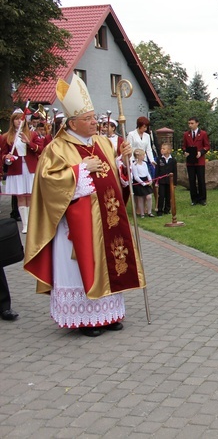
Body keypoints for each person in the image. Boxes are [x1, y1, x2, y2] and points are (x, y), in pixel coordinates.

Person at [24, 74, 146, 337]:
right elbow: (48, 183)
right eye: (89, 119)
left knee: (112, 263)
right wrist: (80, 170)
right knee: (83, 267)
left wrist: (123, 162)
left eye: (95, 118)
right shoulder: (57, 148)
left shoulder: (102, 142)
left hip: (109, 220)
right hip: (75, 228)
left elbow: (115, 176)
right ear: (72, 122)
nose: (95, 123)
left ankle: (109, 314)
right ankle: (85, 319)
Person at [1, 108, 44, 233]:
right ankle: (25, 224)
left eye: (21, 119)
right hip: (16, 170)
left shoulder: (33, 134)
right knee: (20, 197)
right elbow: (3, 154)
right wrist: (6, 157)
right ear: (12, 121)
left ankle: (31, 223)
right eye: (16, 119)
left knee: (30, 196)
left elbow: (40, 149)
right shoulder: (6, 137)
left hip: (30, 170)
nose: (19, 122)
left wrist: (28, 142)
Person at [182, 117, 210, 206]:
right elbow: (184, 146)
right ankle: (194, 199)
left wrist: (201, 152)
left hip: (199, 160)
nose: (190, 125)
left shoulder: (203, 134)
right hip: (190, 161)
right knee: (192, 180)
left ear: (197, 123)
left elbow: (207, 146)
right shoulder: (186, 134)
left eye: (192, 123)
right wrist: (185, 152)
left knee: (201, 180)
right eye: (189, 123)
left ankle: (202, 199)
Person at [155, 142, 177, 216]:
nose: (162, 150)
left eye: (164, 149)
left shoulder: (173, 160)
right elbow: (157, 170)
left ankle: (167, 209)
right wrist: (156, 181)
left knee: (168, 196)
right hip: (161, 181)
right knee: (161, 196)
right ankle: (159, 210)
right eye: (161, 148)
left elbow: (175, 172)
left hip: (169, 181)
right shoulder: (159, 159)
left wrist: (174, 183)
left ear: (169, 150)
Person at [131, 148, 154, 218]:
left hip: (145, 179)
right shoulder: (134, 165)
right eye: (143, 155)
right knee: (140, 198)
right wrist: (143, 183)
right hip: (139, 182)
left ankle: (149, 212)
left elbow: (147, 173)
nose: (144, 156)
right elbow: (136, 177)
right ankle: (142, 213)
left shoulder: (144, 163)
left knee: (149, 197)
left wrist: (150, 180)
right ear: (138, 156)